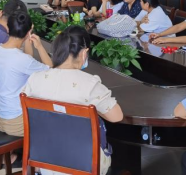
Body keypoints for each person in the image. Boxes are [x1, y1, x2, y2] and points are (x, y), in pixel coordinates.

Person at [23, 26, 124, 175]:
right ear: (84, 53)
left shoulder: (35, 79)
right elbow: (117, 117)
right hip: (84, 165)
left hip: (44, 163)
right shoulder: (90, 84)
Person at [0, 10, 53, 137]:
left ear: (8, 28)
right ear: (28, 32)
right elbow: (51, 71)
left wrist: (27, 37)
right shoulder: (22, 60)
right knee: (53, 119)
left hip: (0, 117)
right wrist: (40, 46)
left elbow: (26, 60)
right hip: (17, 122)